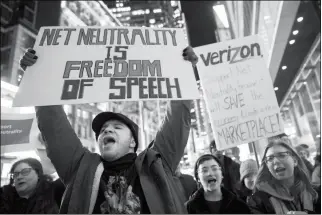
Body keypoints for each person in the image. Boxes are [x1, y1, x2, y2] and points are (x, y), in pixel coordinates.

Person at [19, 46, 198, 213]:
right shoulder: (80, 167)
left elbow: (177, 120)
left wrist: (184, 71)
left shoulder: (157, 163)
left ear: (133, 141)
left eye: (117, 127)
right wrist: (37, 75)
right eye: (103, 129)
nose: (107, 131)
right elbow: (53, 126)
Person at [247, 138, 321, 214]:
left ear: (295, 161)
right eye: (270, 158)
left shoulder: (316, 192)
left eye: (282, 155)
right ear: (267, 167)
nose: (275, 161)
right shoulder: (258, 201)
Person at [185, 154, 251, 214]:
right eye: (204, 170)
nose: (210, 173)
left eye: (214, 168)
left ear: (221, 174)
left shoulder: (239, 205)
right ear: (198, 178)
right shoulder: (189, 208)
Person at [0, 158, 65, 214]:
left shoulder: (55, 190)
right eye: (15, 174)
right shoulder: (5, 196)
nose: (19, 177)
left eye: (25, 172)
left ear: (38, 174)